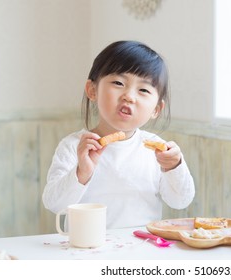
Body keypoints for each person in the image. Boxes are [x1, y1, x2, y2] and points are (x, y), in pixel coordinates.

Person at [42, 40, 195, 229]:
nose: (129, 96)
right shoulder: (74, 146)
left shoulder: (156, 149)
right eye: (118, 83)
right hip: (85, 251)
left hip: (141, 250)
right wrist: (82, 172)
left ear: (156, 109)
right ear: (92, 90)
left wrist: (174, 167)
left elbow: (180, 201)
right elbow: (54, 204)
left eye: (143, 90)